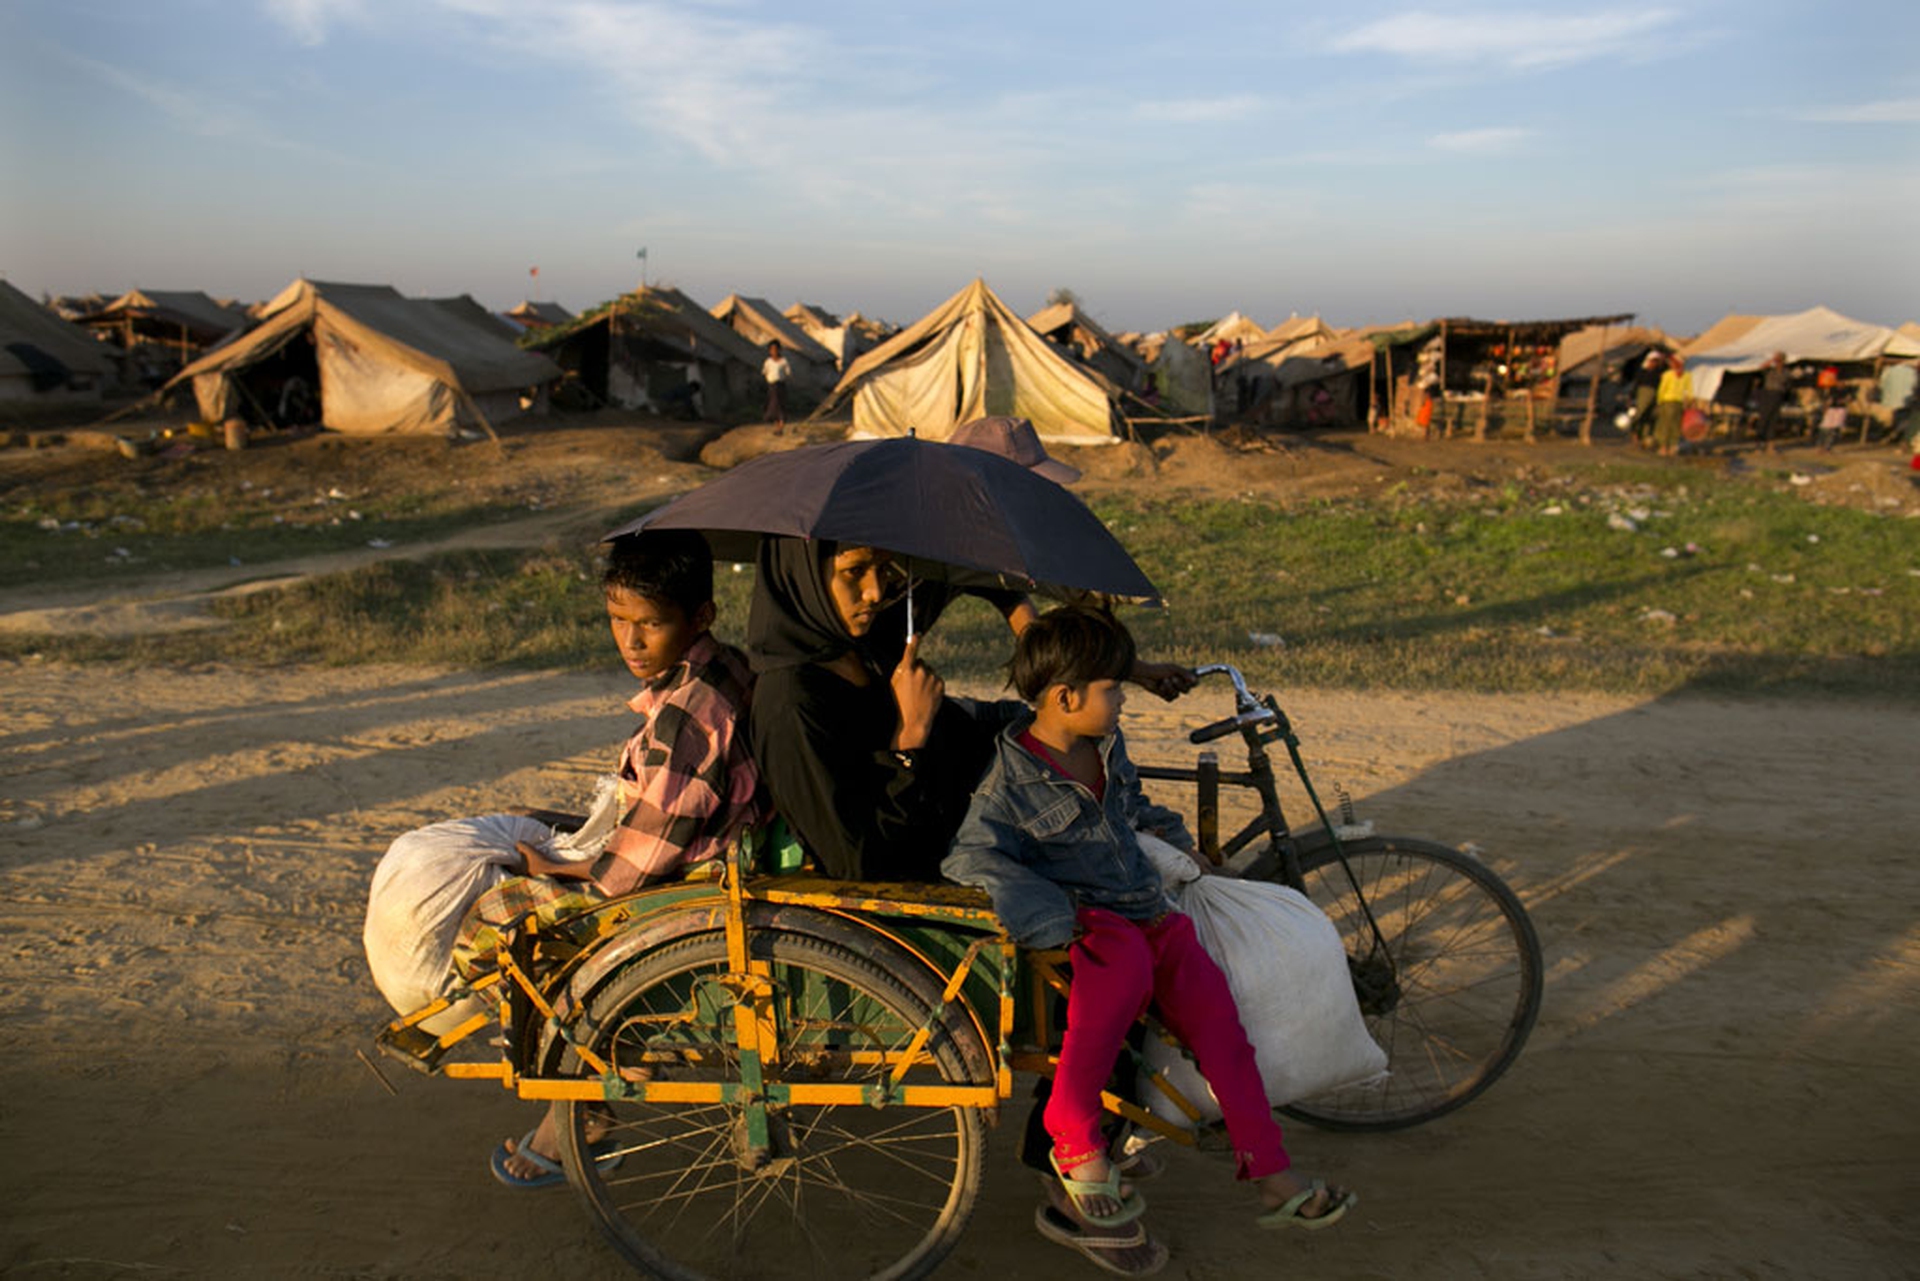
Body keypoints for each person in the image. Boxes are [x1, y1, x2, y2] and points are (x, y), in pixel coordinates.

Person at [942, 607, 1356, 1273]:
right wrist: (1052, 916)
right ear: (1065, 697)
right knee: (1118, 980)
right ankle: (1073, 1138)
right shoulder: (1011, 779)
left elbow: (1130, 807)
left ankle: (1270, 1168)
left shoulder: (1106, 746)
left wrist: (1183, 841)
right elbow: (974, 858)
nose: (1122, 698)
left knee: (1222, 1024)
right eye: (1114, 688)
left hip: (1147, 908)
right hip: (1092, 921)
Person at [362, 530, 763, 1187]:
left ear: (700, 617)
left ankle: (584, 1098)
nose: (631, 641)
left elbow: (637, 864)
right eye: (618, 621)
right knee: (537, 857)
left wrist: (562, 870)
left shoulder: (690, 712)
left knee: (501, 920)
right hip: (695, 851)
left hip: (687, 880)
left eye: (651, 624)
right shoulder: (713, 670)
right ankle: (583, 1074)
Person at [745, 536, 1014, 881]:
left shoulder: (855, 647)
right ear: (802, 575)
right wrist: (910, 733)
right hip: (939, 872)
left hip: (982, 809)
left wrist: (1022, 615)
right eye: (854, 571)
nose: (875, 591)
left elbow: (948, 575)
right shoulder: (790, 707)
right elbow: (857, 863)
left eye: (883, 569)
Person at [1653, 353, 1694, 458]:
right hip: (1677, 403)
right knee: (1675, 425)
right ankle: (1672, 446)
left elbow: (1662, 389)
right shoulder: (1686, 375)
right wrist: (1689, 401)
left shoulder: (1668, 375)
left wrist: (1659, 402)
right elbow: (1689, 391)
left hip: (1668, 402)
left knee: (1665, 424)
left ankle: (1664, 446)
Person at [1750, 352, 1790, 453]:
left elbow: (1786, 382)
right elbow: (1761, 367)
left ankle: (1770, 446)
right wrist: (1772, 361)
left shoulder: (1786, 371)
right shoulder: (1769, 371)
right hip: (1768, 394)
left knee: (1773, 421)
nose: (1779, 362)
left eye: (1780, 360)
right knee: (1763, 420)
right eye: (1778, 360)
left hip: (1778, 395)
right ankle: (1758, 446)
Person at [1629, 352, 1665, 446]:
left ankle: (1645, 436)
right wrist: (1632, 396)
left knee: (1649, 416)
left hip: (1654, 396)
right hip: (1643, 395)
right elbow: (1637, 384)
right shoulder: (1643, 372)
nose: (1653, 364)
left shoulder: (1658, 373)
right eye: (1652, 362)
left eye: (1655, 362)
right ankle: (1635, 433)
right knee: (1639, 414)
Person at [762, 340, 791, 434]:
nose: (774, 351)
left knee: (780, 405)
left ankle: (781, 427)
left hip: (780, 385)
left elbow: (788, 373)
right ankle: (777, 427)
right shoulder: (768, 362)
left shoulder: (783, 361)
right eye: (772, 349)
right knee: (774, 406)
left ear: (779, 350)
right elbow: (765, 372)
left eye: (776, 349)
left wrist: (783, 379)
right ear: (769, 351)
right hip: (772, 386)